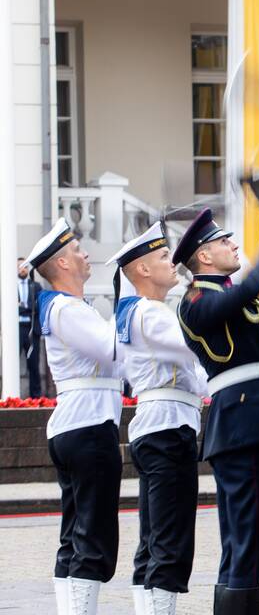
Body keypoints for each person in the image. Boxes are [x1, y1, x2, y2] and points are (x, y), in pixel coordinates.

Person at [174, 209, 259, 614]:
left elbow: (256, 305)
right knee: (245, 543)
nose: (234, 245)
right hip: (240, 425)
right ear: (203, 256)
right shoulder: (196, 301)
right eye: (225, 242)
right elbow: (235, 300)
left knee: (253, 543)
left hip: (255, 421)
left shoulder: (225, 293)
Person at [110, 222, 207, 615]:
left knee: (154, 538)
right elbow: (194, 346)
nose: (173, 263)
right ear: (144, 271)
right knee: (169, 542)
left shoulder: (141, 312)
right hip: (168, 427)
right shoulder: (151, 314)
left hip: (159, 426)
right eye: (164, 257)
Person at [28, 219, 122, 615]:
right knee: (91, 537)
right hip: (88, 427)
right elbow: (114, 350)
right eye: (78, 251)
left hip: (77, 425)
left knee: (75, 534)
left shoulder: (69, 308)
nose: (86, 256)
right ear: (63, 264)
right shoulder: (68, 309)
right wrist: (133, 300)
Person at [17, 256, 43, 397]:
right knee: (12, 363)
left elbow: (38, 307)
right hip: (17, 329)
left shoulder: (36, 286)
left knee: (34, 364)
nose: (23, 269)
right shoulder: (9, 286)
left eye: (25, 266)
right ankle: (11, 395)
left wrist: (22, 307)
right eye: (20, 266)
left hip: (32, 329)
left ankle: (36, 396)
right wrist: (28, 308)